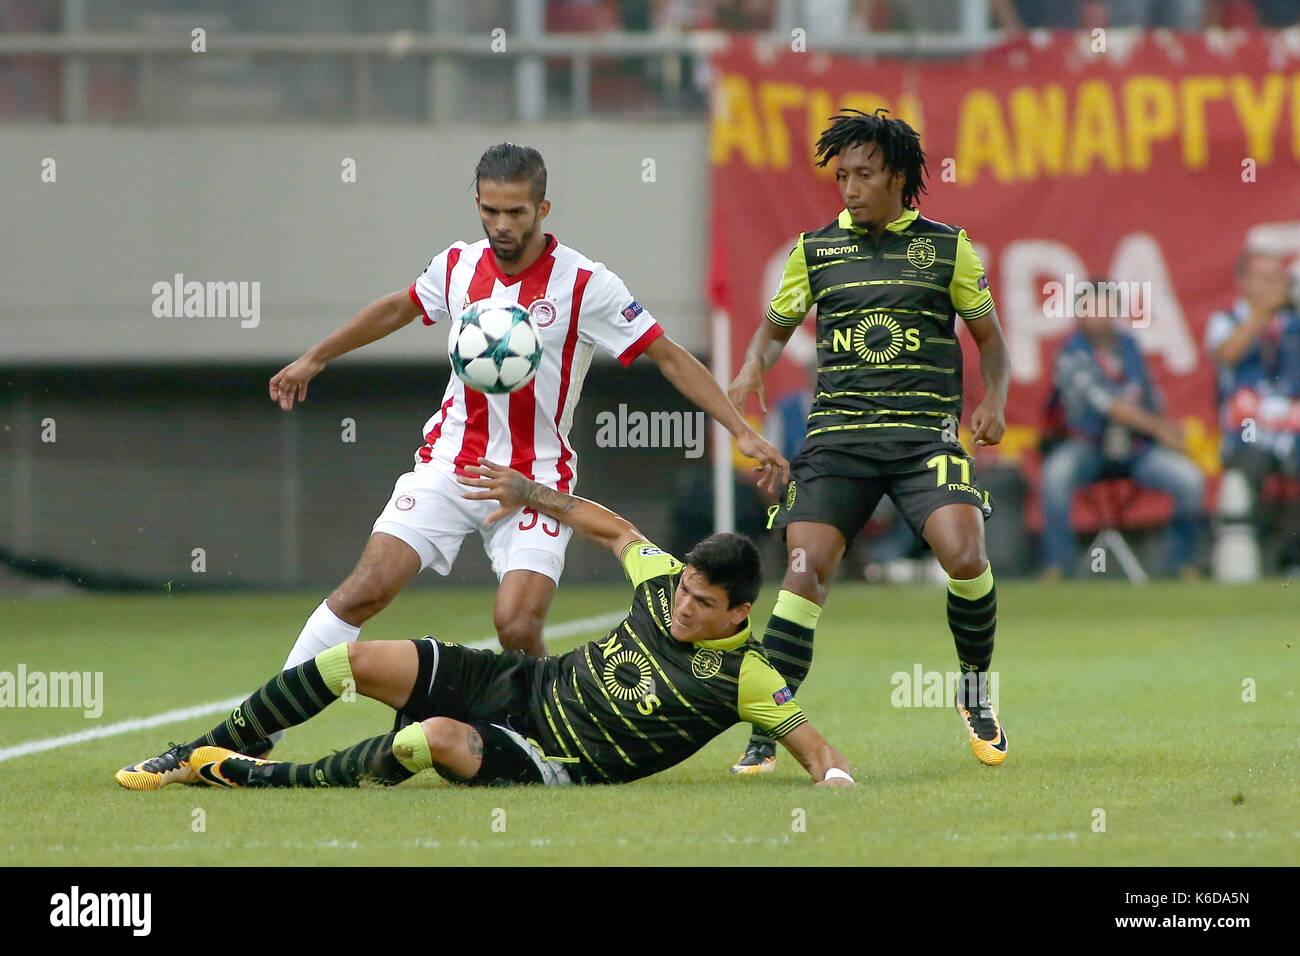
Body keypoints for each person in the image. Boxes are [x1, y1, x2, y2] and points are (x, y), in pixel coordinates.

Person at [257, 143, 787, 756]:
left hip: (535, 478)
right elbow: (400, 306)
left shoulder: (587, 284)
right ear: (477, 204)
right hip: (450, 464)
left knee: (515, 624)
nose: (503, 226)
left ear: (543, 207)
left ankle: (546, 735)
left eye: (517, 212)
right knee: (363, 590)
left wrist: (739, 430)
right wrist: (316, 356)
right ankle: (264, 729)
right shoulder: (457, 265)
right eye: (491, 211)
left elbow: (667, 354)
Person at [115, 458, 852, 791]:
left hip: (549, 757)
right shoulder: (664, 582)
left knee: (426, 740)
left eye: (700, 604)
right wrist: (534, 492)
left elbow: (818, 752)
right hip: (521, 684)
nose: (684, 607)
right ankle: (203, 750)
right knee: (357, 661)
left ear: (739, 613)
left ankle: (259, 779)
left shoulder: (746, 677)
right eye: (685, 589)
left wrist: (836, 780)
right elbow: (618, 532)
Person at [726, 108, 1011, 774]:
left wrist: (994, 398)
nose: (849, 188)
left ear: (900, 177)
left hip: (924, 440)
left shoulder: (948, 248)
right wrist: (749, 369)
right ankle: (770, 727)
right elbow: (774, 329)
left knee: (965, 555)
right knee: (803, 573)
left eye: (864, 174)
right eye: (842, 175)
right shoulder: (815, 249)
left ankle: (975, 694)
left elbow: (991, 341)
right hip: (837, 442)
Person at [1041, 280, 1205, 577]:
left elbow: (1150, 395)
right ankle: (1058, 567)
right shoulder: (1071, 354)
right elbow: (1108, 404)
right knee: (1055, 475)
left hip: (1136, 447)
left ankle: (1180, 566)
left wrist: (1166, 429)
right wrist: (1159, 429)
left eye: (1105, 309)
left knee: (1189, 479)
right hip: (1087, 444)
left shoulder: (1129, 348)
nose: (1099, 317)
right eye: (1091, 309)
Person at [1205, 248, 1300, 568]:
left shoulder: (1293, 324)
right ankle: (1252, 558)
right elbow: (1227, 353)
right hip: (1247, 430)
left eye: (1277, 277)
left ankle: (1291, 558)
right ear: (1242, 281)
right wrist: (1260, 313)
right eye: (1264, 277)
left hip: (1291, 426)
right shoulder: (1225, 320)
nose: (1273, 284)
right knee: (1250, 468)